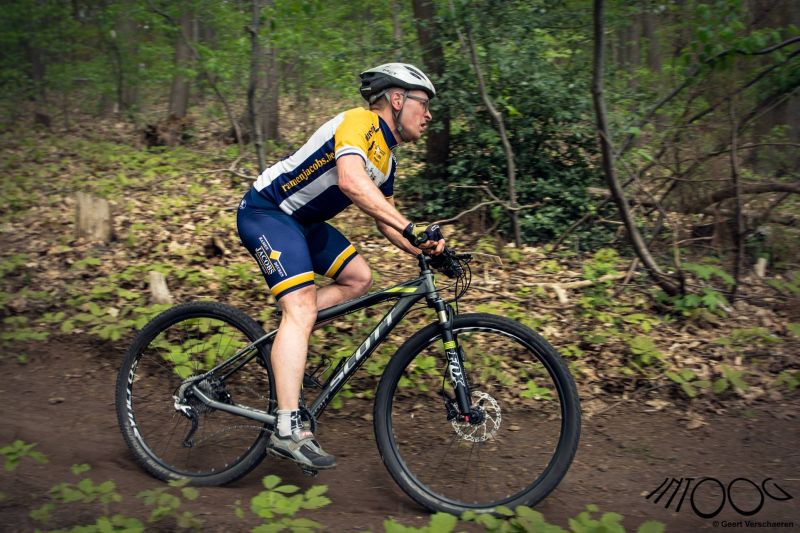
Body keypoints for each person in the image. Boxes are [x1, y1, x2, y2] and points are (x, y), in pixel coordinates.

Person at [236, 63, 446, 470]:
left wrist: (426, 251)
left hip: (303, 224)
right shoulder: (358, 122)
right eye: (423, 103)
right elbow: (351, 182)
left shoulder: (386, 159)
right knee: (300, 308)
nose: (429, 113)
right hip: (267, 212)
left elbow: (385, 218)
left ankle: (291, 333)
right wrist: (411, 227)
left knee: (358, 277)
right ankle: (286, 428)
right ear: (397, 99)